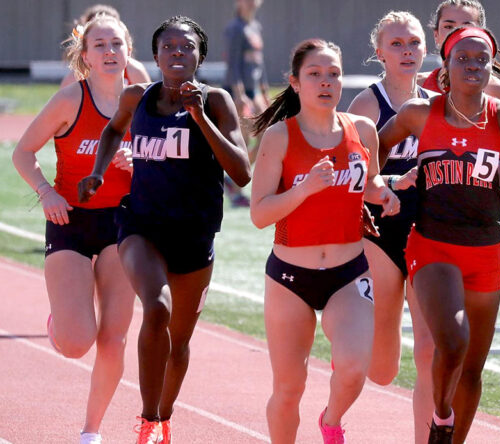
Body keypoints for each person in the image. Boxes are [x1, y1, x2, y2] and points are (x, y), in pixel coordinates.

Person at [77, 16, 251, 444]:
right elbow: (114, 129)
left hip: (194, 236)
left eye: (186, 47)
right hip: (142, 225)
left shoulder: (216, 102)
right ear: (154, 56)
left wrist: (199, 117)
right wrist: (98, 172)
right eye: (168, 46)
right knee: (157, 309)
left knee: (178, 343)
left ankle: (164, 418)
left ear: (199, 56)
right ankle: (148, 420)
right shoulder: (137, 97)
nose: (177, 52)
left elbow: (242, 173)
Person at [379, 27, 500, 443]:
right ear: (446, 66)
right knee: (452, 342)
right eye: (463, 58)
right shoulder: (419, 114)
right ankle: (440, 416)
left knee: (472, 368)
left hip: (485, 252)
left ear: (491, 69)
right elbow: (372, 146)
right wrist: (377, 184)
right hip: (432, 246)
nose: (473, 65)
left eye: (481, 59)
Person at [249, 38, 399, 444]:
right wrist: (304, 190)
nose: (326, 81)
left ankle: (331, 422)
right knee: (288, 389)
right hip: (290, 277)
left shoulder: (362, 130)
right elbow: (259, 214)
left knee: (353, 367)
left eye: (334, 73)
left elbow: (366, 184)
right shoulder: (280, 137)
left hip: (349, 271)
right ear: (295, 83)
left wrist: (386, 191)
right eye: (314, 74)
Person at [12, 14, 136, 444]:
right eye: (99, 45)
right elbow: (23, 152)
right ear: (85, 56)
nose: (109, 52)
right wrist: (46, 192)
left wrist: (140, 167)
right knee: (77, 342)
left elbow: (174, 171)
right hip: (71, 221)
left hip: (123, 224)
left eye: (116, 44)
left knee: (115, 339)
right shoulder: (70, 100)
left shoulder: (146, 105)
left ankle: (91, 431)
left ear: (129, 52)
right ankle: (60, 324)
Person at [346, 11, 434, 443]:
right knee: (383, 367)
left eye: (414, 43)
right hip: (379, 231)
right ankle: (335, 413)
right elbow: (350, 172)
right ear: (379, 52)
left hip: (428, 231)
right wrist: (390, 183)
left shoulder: (438, 102)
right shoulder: (367, 104)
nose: (407, 51)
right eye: (397, 44)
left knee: (430, 350)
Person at [222, 0, 272, 207]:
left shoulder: (255, 27)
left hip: (255, 92)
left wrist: (265, 90)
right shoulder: (235, 28)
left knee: (266, 135)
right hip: (239, 92)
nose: (251, 3)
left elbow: (259, 64)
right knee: (242, 141)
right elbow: (232, 65)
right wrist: (239, 95)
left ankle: (232, 182)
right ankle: (236, 187)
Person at [418, 0, 500, 104]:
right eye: (449, 27)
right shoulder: (418, 86)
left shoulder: (495, 90)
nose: (457, 34)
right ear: (436, 35)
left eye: (466, 27)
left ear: (481, 36)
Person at [61, 4, 151, 88]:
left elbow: (150, 103)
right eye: (99, 44)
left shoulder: (135, 72)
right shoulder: (74, 79)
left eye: (116, 42)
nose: (109, 50)